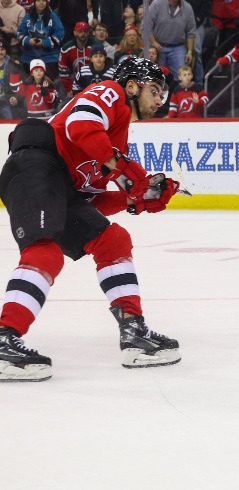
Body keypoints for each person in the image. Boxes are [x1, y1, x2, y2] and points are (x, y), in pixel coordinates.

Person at [0, 57, 182, 381]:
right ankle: (4, 339)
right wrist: (127, 172)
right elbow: (80, 126)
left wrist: (134, 199)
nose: (159, 100)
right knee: (45, 251)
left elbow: (91, 198)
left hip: (62, 187)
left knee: (113, 240)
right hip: (36, 166)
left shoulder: (117, 138)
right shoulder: (111, 92)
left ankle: (133, 332)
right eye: (155, 90)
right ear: (132, 85)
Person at [145, 0, 196, 77]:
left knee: (181, 76)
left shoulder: (187, 8)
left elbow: (190, 32)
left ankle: (179, 88)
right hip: (158, 46)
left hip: (178, 47)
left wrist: (189, 51)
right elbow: (146, 25)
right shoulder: (156, 4)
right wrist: (153, 42)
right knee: (157, 76)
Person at [17, 0, 63, 80]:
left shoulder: (53, 16)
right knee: (29, 85)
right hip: (29, 57)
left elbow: (60, 33)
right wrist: (28, 41)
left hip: (49, 57)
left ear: (47, 2)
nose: (41, 3)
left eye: (43, 1)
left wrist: (45, 42)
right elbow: (19, 34)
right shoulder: (27, 17)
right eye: (38, 1)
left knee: (50, 85)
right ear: (34, 2)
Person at [59, 20, 92, 98]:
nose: (83, 34)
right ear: (75, 33)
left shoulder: (96, 46)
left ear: (88, 33)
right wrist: (69, 89)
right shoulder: (66, 49)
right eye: (80, 31)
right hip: (73, 83)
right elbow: (63, 71)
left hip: (92, 82)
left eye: (85, 31)